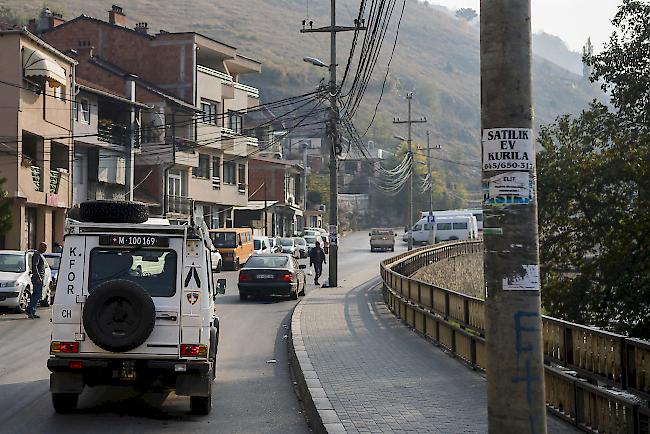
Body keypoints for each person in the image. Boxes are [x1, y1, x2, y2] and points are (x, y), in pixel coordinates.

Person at [27, 242, 47, 319]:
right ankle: (30, 310)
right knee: (36, 295)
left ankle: (32, 311)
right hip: (37, 279)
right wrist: (38, 277)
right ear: (40, 246)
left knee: (37, 295)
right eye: (44, 247)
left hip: (40, 278)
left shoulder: (40, 254)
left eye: (46, 248)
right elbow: (34, 266)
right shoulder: (36, 254)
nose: (45, 249)